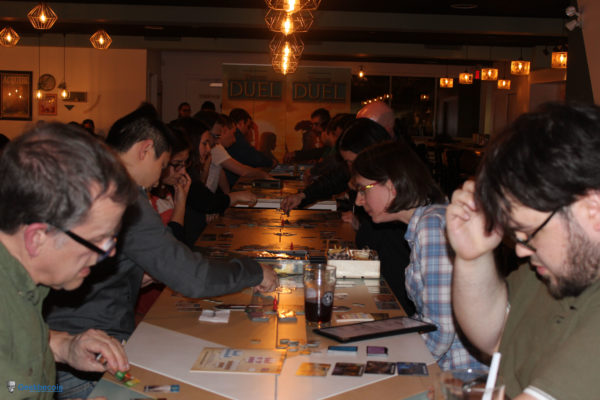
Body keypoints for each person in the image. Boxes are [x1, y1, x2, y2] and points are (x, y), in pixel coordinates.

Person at [44, 105, 278, 398]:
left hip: (63, 348)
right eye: (164, 163)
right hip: (83, 361)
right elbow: (191, 277)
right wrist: (253, 271)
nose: (162, 175)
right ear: (145, 150)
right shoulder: (123, 195)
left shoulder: (91, 183)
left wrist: (130, 274)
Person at [446, 103, 600, 400]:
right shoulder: (566, 265)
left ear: (593, 209)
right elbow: (494, 335)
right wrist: (472, 256)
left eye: (528, 233)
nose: (520, 250)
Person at [0, 122, 137, 399]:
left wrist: (64, 346)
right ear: (37, 238)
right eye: (97, 240)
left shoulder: (22, 273)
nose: (109, 253)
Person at [352, 141, 487, 371]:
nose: (358, 200)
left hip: (455, 372)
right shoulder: (430, 219)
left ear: (392, 185)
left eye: (364, 189)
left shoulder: (432, 226)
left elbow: (440, 331)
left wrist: (393, 362)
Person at [195, 111, 271, 193]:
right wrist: (265, 175)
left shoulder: (215, 148)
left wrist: (228, 197)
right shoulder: (216, 148)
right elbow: (243, 171)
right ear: (225, 130)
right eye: (216, 136)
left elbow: (221, 175)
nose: (234, 140)